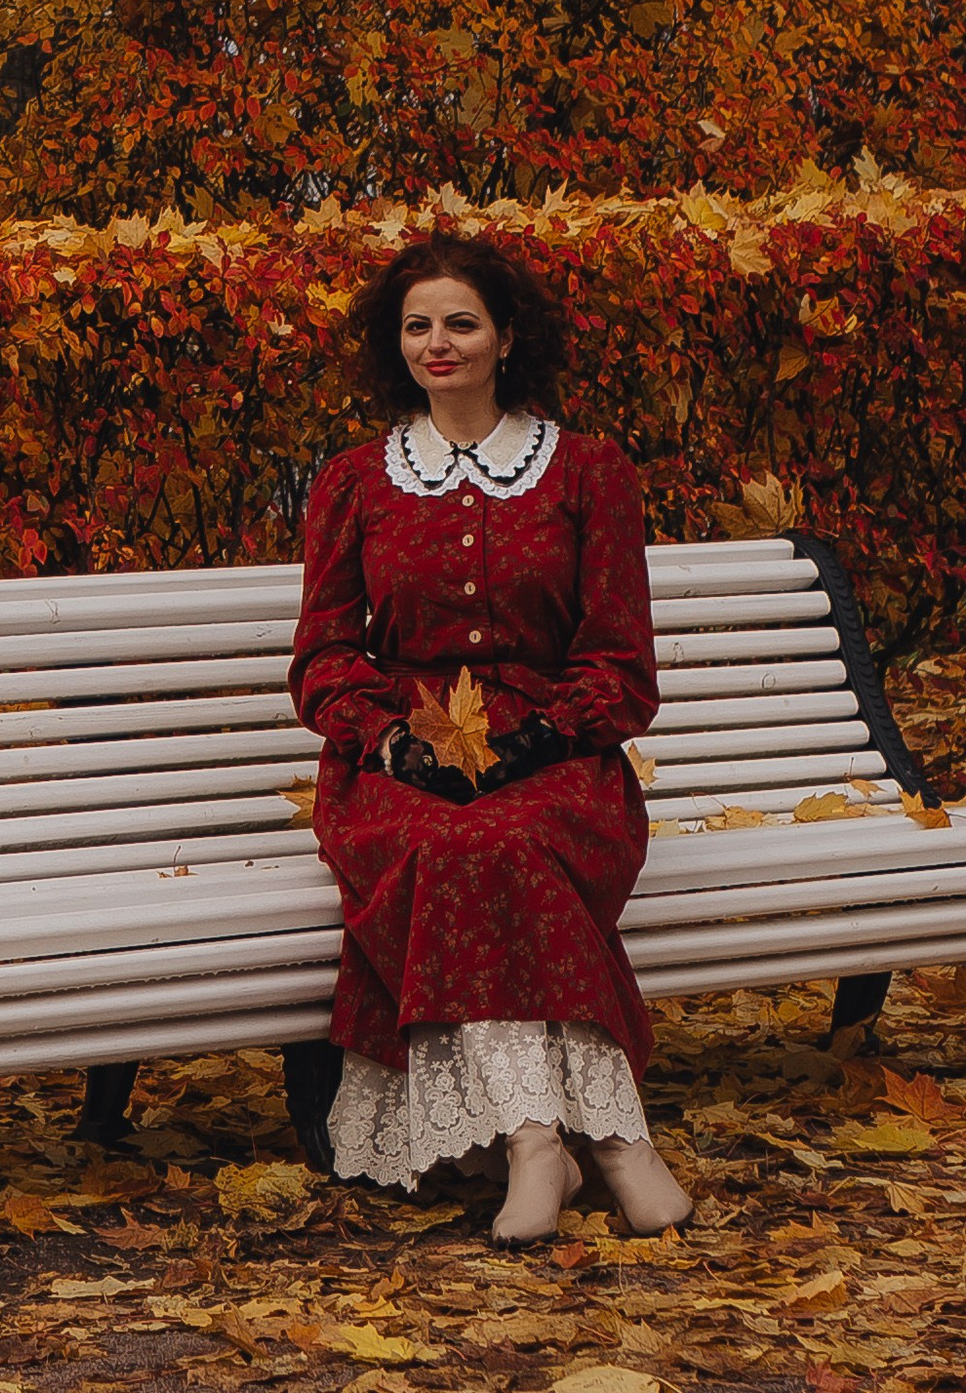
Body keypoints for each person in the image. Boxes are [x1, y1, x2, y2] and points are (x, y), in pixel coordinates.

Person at [288, 234, 696, 1244]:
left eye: (461, 323)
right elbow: (324, 656)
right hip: (394, 768)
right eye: (418, 325)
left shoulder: (589, 473)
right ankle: (566, 1141)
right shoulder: (356, 482)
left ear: (506, 338)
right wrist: (389, 741)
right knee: (455, 842)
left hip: (560, 760)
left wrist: (544, 738)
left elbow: (621, 659)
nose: (439, 343)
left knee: (505, 838)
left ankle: (585, 1144)